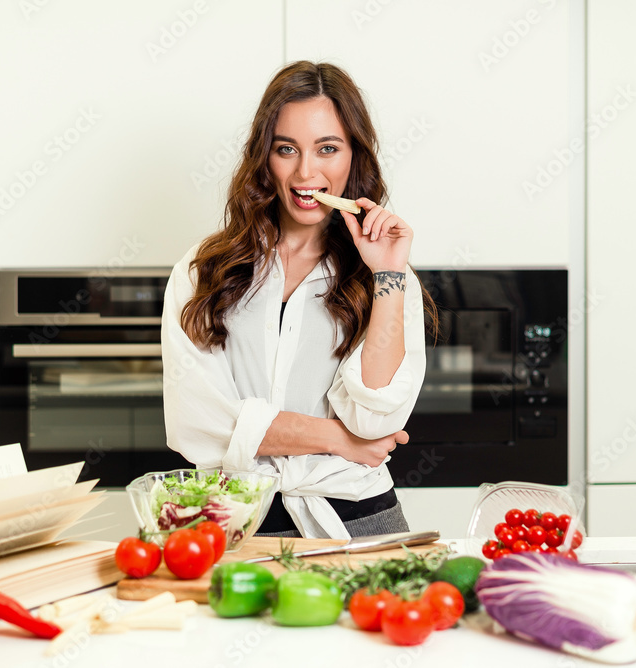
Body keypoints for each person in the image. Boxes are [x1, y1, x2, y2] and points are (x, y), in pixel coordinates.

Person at [161, 61, 436, 539]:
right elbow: (196, 422)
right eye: (286, 149)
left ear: (354, 157)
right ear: (264, 157)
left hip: (360, 520)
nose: (306, 172)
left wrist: (388, 276)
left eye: (327, 149)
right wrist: (338, 439)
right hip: (233, 523)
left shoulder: (388, 276)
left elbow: (375, 419)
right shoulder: (203, 271)